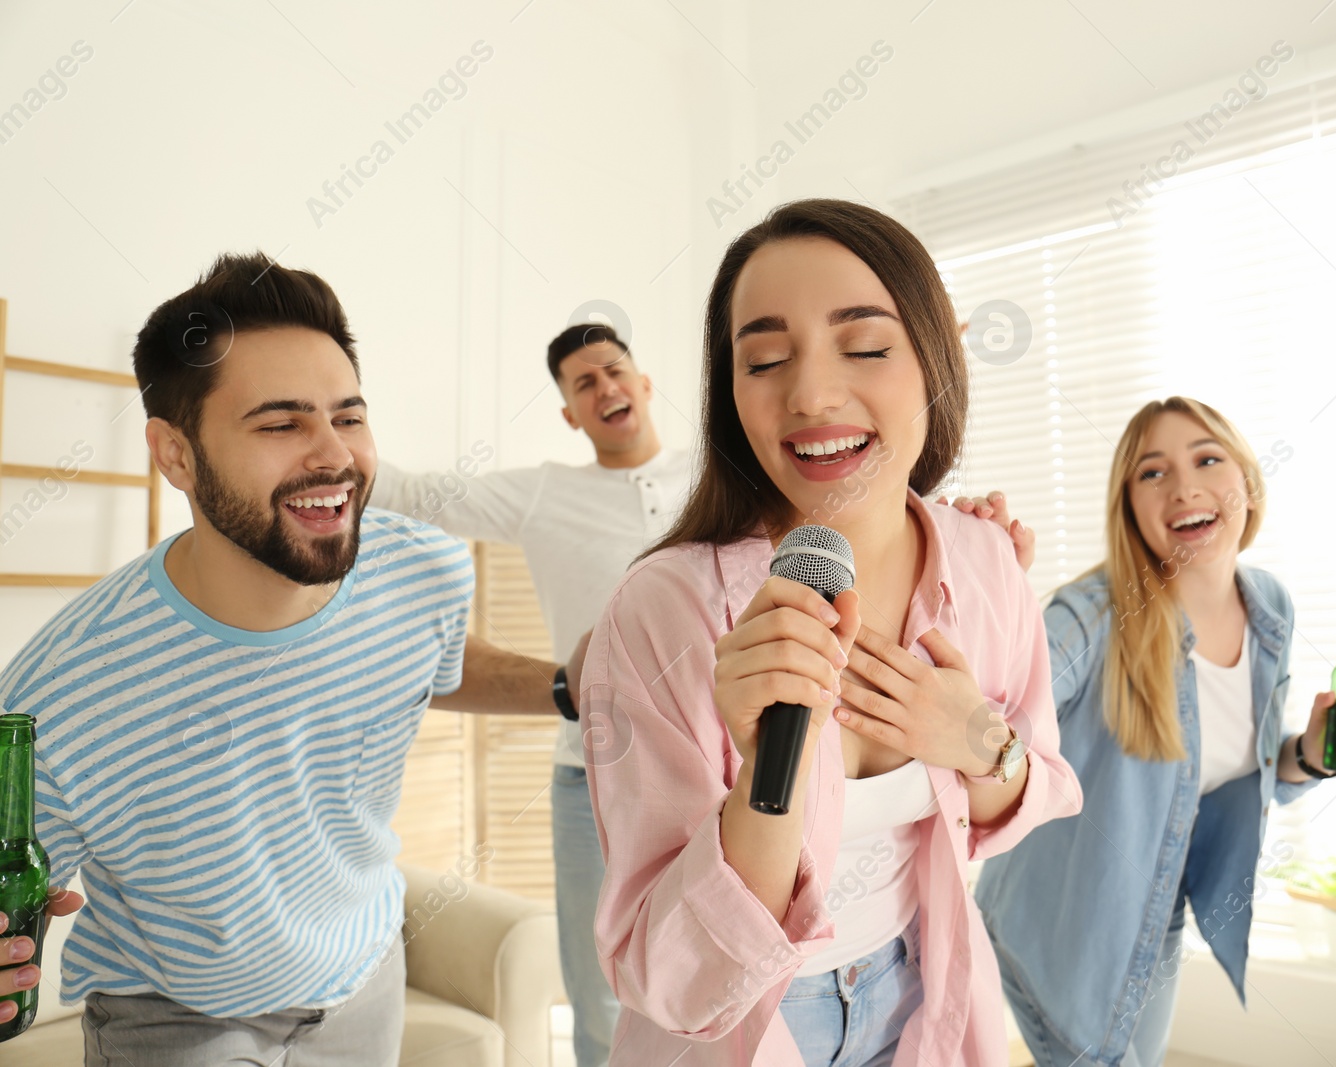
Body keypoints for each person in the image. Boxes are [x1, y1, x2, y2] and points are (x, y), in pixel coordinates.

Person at [0, 252, 559, 1065]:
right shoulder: (65, 691)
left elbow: (433, 658)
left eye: (349, 416)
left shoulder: (420, 572)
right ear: (176, 453)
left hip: (365, 977)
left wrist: (573, 686)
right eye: (281, 423)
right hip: (177, 1017)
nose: (334, 455)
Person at [579, 199, 1083, 1067]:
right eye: (765, 358)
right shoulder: (663, 610)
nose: (809, 395)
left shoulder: (985, 560)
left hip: (919, 987)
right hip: (745, 1022)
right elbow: (662, 971)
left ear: (937, 358)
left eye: (866, 345)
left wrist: (975, 739)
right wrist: (766, 784)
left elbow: (1025, 799)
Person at [975, 397, 1336, 1067]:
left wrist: (1308, 754)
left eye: (1207, 458)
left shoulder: (1269, 607)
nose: (1184, 486)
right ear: (1130, 506)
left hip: (1155, 909)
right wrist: (990, 592)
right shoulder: (1092, 614)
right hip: (1060, 920)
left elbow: (1237, 773)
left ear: (1247, 484)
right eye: (1152, 472)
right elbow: (993, 708)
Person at [367, 321, 692, 1067]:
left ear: (643, 384)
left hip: (714, 776)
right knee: (601, 991)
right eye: (584, 383)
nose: (605, 386)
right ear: (571, 414)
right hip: (592, 779)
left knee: (715, 978)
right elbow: (418, 494)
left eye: (615, 370)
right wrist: (327, 432)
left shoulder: (715, 475)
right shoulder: (548, 491)